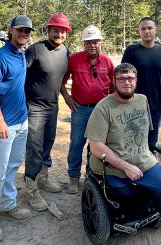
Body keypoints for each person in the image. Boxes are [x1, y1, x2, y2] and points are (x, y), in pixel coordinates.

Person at [0, 15, 33, 244]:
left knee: (12, 167)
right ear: (11, 31)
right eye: (20, 30)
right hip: (3, 125)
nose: (24, 34)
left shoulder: (21, 54)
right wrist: (0, 120)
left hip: (21, 122)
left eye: (28, 31)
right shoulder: (0, 57)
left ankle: (9, 204)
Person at [86, 62, 161, 201]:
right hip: (113, 167)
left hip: (143, 161)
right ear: (114, 82)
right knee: (128, 197)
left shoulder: (142, 99)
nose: (127, 82)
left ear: (136, 81)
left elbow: (145, 132)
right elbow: (96, 146)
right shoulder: (103, 107)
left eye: (130, 78)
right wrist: (126, 167)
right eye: (121, 79)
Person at [24, 12, 72, 212]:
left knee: (48, 142)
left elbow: (59, 80)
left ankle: (43, 178)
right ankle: (31, 189)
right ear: (48, 30)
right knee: (34, 148)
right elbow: (19, 76)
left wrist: (67, 97)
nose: (58, 34)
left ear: (66, 33)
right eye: (55, 30)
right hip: (34, 106)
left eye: (62, 31)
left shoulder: (66, 52)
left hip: (53, 106)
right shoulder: (35, 50)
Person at [61, 25, 114, 194]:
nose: (92, 45)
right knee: (77, 143)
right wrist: (67, 98)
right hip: (80, 110)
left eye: (96, 42)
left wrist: (111, 107)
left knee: (97, 146)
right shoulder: (74, 59)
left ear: (100, 43)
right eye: (88, 42)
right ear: (83, 43)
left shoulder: (107, 62)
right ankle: (73, 178)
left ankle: (92, 176)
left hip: (101, 111)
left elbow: (113, 86)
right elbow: (61, 81)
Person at [121, 17, 161, 149]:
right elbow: (122, 77)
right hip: (133, 106)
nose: (147, 31)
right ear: (139, 31)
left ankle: (148, 169)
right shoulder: (131, 50)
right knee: (132, 142)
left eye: (149, 28)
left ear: (155, 30)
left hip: (155, 105)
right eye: (143, 28)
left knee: (151, 144)